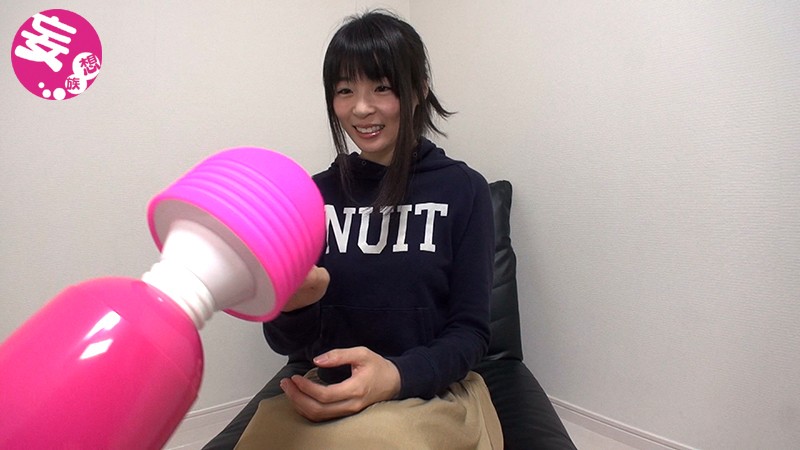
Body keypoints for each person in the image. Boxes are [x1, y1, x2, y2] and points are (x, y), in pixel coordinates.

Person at [204, 10, 502, 449]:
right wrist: (292, 306)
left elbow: (471, 333)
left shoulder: (463, 190)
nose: (362, 108)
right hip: (331, 389)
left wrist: (394, 376)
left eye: (382, 87)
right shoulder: (311, 198)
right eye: (345, 91)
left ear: (419, 89)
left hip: (430, 391)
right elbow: (289, 344)